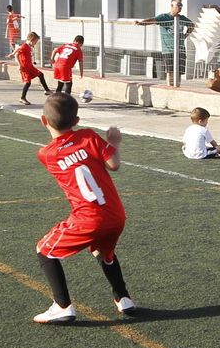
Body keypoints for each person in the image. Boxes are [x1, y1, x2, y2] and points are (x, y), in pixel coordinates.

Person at [31, 93, 139, 324]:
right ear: (77, 120)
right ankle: (123, 298)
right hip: (116, 215)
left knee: (44, 249)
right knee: (103, 252)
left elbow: (65, 156)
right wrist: (114, 142)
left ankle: (62, 306)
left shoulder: (45, 154)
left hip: (88, 218)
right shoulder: (88, 136)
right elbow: (114, 164)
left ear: (43, 121)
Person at [135, 0, 195, 86]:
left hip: (180, 50)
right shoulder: (164, 17)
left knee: (178, 73)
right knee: (170, 72)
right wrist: (141, 23)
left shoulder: (182, 18)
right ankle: (170, 88)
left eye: (181, 5)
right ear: (172, 6)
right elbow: (152, 20)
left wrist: (185, 35)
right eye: (178, 5)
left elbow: (192, 25)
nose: (180, 7)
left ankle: (177, 88)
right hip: (169, 50)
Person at [12, 31, 50, 103]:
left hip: (30, 67)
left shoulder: (28, 46)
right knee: (28, 82)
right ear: (31, 40)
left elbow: (18, 48)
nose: (36, 43)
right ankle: (22, 98)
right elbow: (17, 55)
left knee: (40, 74)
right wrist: (19, 65)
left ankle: (47, 90)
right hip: (25, 67)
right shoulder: (24, 46)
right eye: (35, 42)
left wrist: (12, 53)